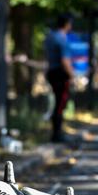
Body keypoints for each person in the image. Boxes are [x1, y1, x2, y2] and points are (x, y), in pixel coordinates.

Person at [44, 13, 74, 143]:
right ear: (67, 24)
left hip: (52, 71)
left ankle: (56, 132)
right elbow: (65, 61)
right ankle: (57, 134)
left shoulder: (50, 37)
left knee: (58, 102)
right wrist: (72, 76)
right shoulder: (62, 39)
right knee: (61, 104)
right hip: (61, 74)